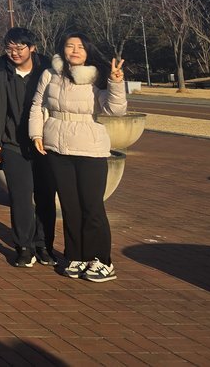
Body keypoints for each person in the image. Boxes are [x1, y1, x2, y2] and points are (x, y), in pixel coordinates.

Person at [29, 32, 127, 283]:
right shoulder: (50, 73)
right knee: (70, 206)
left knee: (92, 207)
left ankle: (102, 261)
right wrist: (36, 134)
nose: (74, 50)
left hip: (90, 148)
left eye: (80, 47)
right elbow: (37, 105)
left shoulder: (98, 75)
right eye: (69, 46)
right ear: (62, 49)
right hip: (57, 148)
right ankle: (76, 256)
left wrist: (116, 83)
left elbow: (115, 110)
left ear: (88, 51)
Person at [0, 27, 57, 268]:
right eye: (9, 48)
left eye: (19, 47)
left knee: (45, 196)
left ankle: (44, 245)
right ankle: (24, 247)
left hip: (45, 144)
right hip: (12, 144)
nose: (14, 52)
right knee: (20, 198)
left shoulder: (48, 71)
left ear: (32, 48)